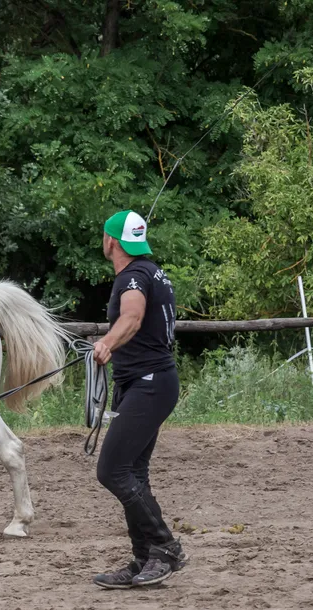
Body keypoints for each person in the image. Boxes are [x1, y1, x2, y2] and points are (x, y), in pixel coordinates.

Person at [91, 210, 187, 589]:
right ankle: (143, 558)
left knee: (111, 470)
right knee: (133, 472)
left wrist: (106, 343)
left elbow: (132, 317)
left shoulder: (131, 277)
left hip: (149, 384)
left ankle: (165, 546)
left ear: (111, 240)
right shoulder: (151, 272)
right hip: (149, 383)